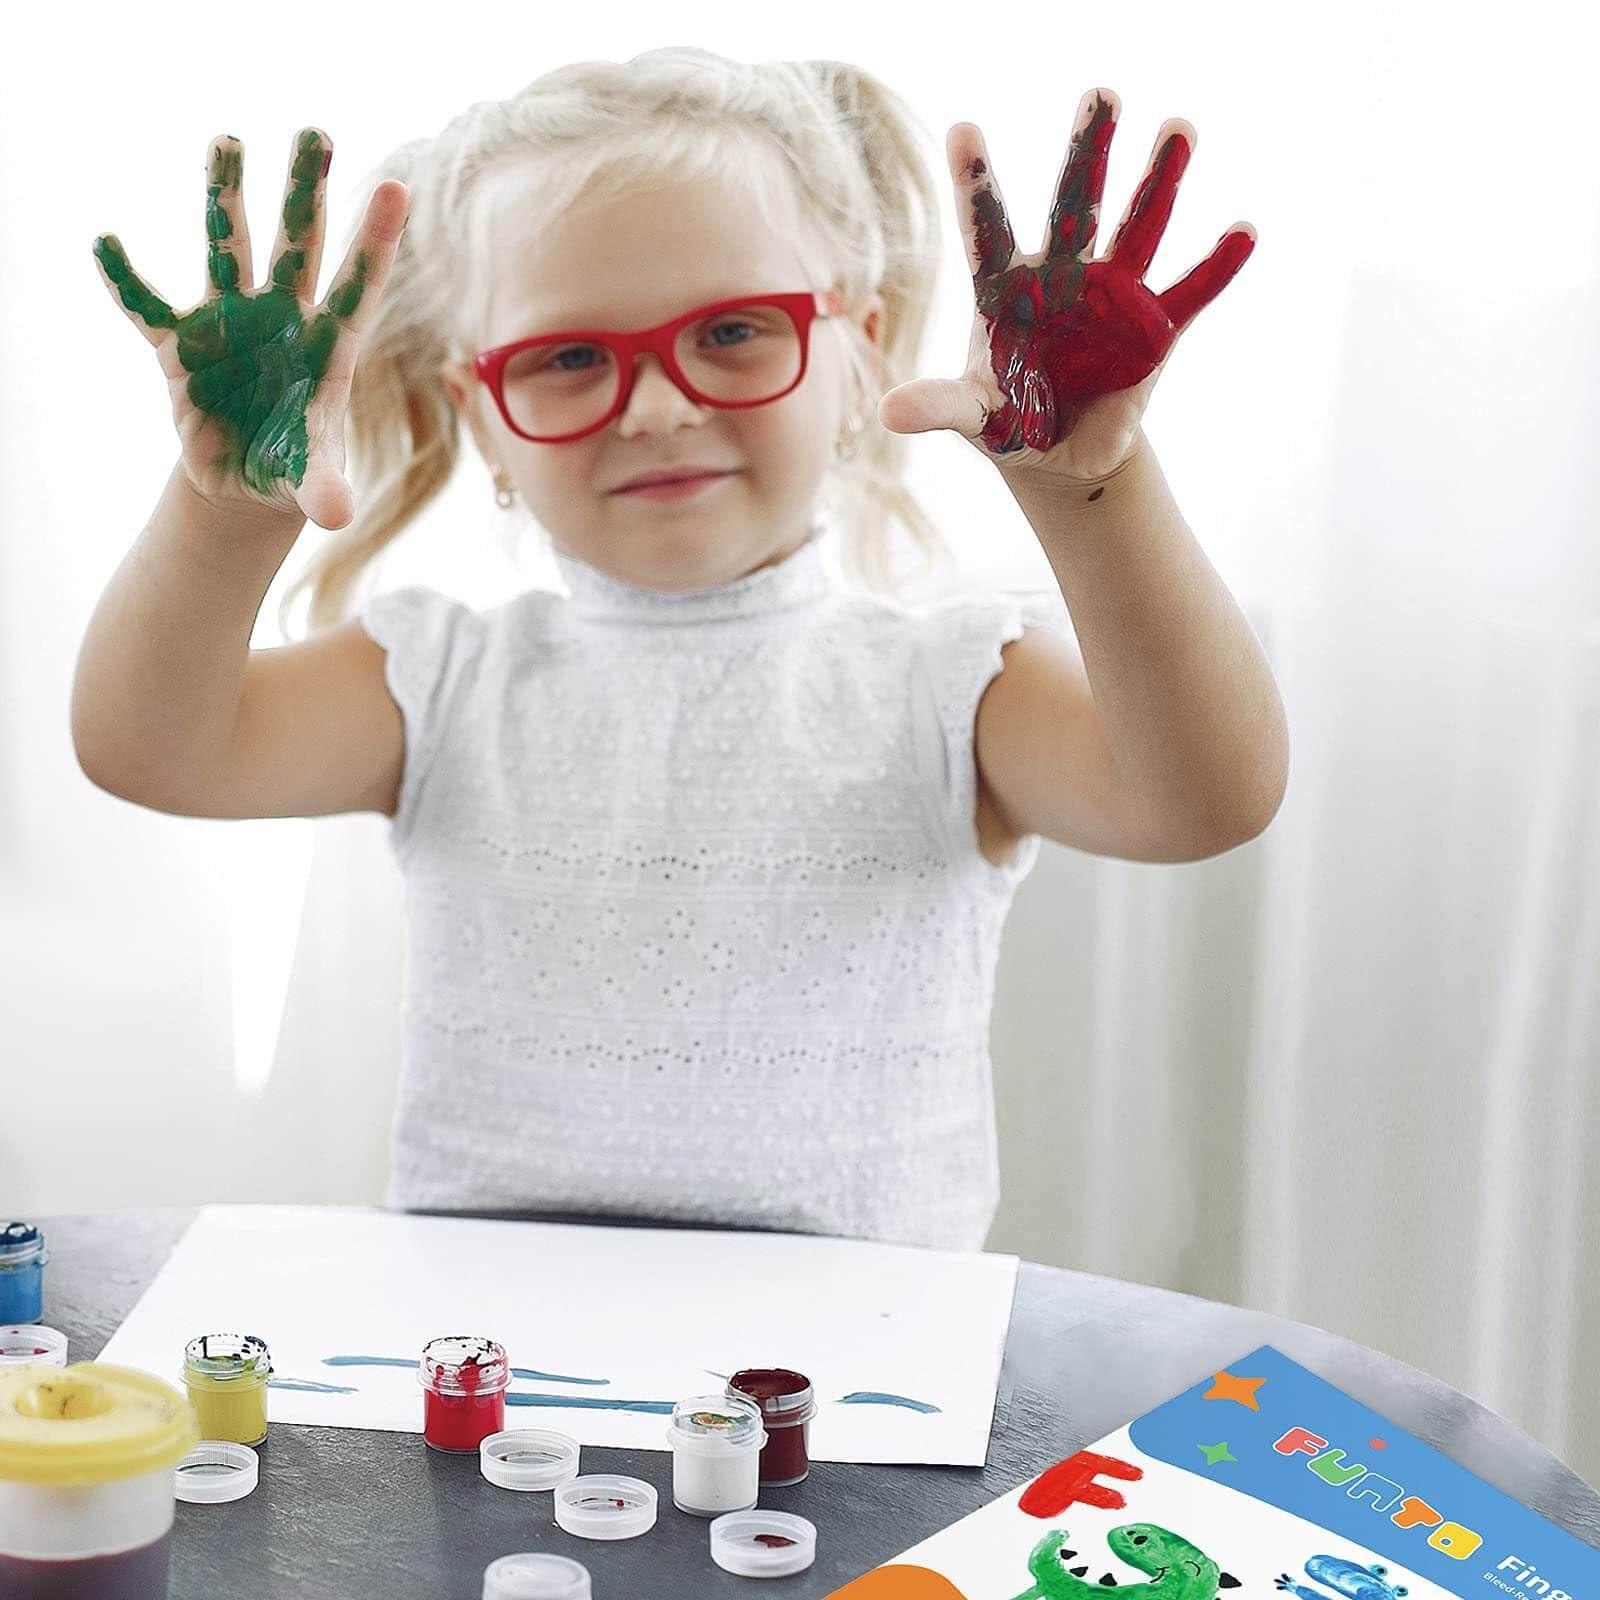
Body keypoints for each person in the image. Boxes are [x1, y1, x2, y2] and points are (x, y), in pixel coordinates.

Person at [74, 48, 1288, 1250]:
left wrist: (1095, 489)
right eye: (568, 358)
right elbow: (152, 750)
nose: (658, 404)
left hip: (855, 1385)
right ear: (484, 419)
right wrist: (227, 507)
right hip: (493, 1381)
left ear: (856, 357)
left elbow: (1202, 798)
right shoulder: (434, 680)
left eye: (733, 333)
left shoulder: (947, 687)